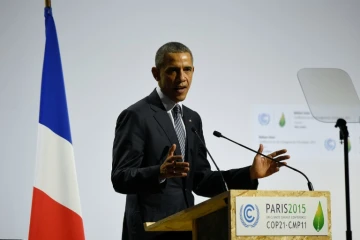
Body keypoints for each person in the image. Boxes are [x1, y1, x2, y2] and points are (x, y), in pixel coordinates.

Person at [111, 42, 289, 240]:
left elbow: (200, 180)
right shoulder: (137, 115)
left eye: (187, 69)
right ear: (156, 73)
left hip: (189, 229)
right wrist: (159, 173)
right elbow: (120, 178)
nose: (182, 78)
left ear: (193, 71)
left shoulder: (191, 118)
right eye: (173, 70)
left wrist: (250, 174)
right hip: (150, 232)